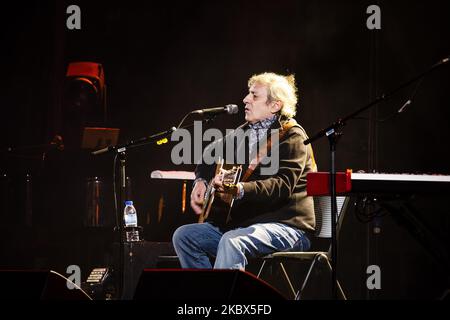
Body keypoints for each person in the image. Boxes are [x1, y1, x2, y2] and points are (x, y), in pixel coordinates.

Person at [172, 72, 317, 270]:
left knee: (232, 241)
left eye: (254, 96)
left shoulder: (293, 136)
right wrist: (201, 181)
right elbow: (208, 154)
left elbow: (281, 186)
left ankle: (230, 301)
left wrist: (239, 188)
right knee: (185, 237)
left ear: (275, 105)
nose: (245, 99)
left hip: (288, 227)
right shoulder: (246, 132)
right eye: (249, 94)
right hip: (249, 225)